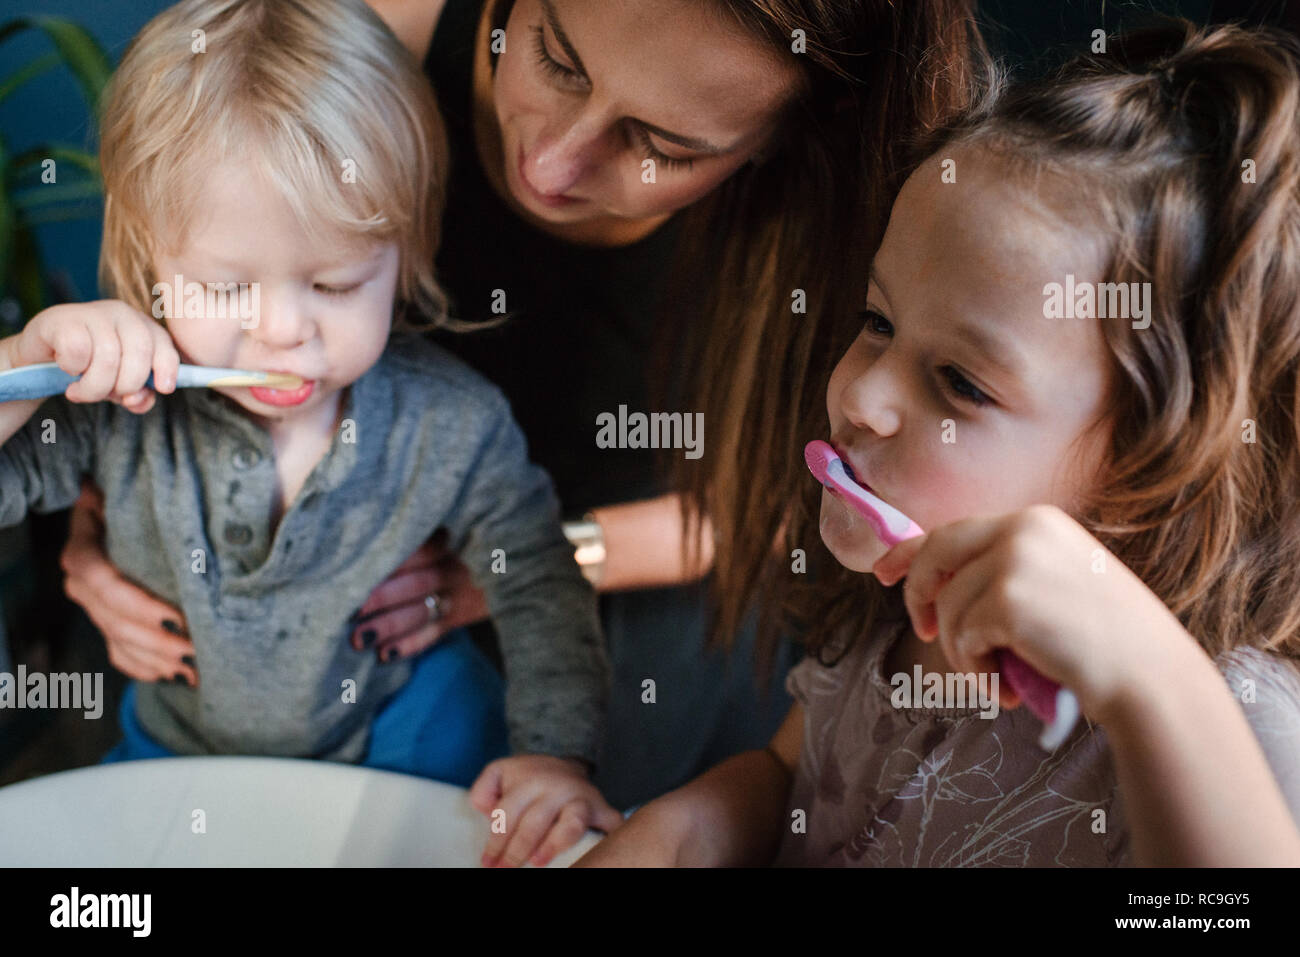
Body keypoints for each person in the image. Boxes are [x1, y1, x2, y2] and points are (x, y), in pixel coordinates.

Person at [574, 20, 1300, 866]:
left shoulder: (1233, 728)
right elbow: (787, 775)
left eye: (961, 382)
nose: (860, 392)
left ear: (1156, 467)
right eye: (877, 322)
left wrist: (1151, 684)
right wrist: (685, 829)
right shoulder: (900, 603)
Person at [2, 0, 618, 868]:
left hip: (417, 753)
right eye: (224, 288)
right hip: (182, 757)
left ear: (406, 256)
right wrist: (25, 362)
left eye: (333, 284)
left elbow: (541, 582)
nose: (284, 330)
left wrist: (557, 754)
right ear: (152, 262)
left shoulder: (455, 421)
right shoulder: (116, 409)